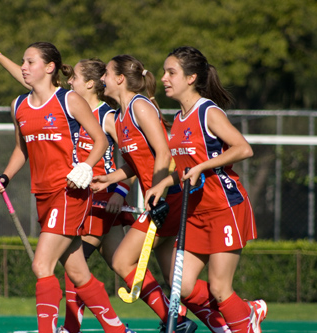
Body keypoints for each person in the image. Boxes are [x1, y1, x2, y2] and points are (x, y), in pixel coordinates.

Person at [0, 37, 136, 333]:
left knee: (41, 266)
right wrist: (6, 177)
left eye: (30, 62)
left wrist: (86, 167)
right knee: (77, 272)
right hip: (42, 194)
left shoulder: (68, 100)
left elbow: (101, 141)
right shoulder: (19, 105)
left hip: (70, 192)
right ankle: (117, 329)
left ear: (49, 68)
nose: (24, 67)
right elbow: (22, 149)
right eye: (23, 62)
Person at [145, 46, 267, 333]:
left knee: (220, 288)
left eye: (171, 72)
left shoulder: (208, 112)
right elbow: (187, 168)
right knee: (184, 287)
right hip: (196, 211)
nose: (164, 78)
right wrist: (164, 182)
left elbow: (243, 149)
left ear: (191, 78)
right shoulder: (178, 119)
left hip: (225, 207)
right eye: (165, 72)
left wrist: (204, 165)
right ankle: (247, 310)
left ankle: (244, 322)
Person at [92, 54, 200, 333]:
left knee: (121, 260)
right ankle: (237, 313)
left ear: (119, 79)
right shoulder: (121, 115)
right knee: (181, 285)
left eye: (105, 73)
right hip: (161, 199)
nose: (101, 79)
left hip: (170, 196)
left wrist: (159, 197)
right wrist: (108, 179)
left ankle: (176, 321)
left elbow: (164, 151)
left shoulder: (140, 106)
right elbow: (136, 161)